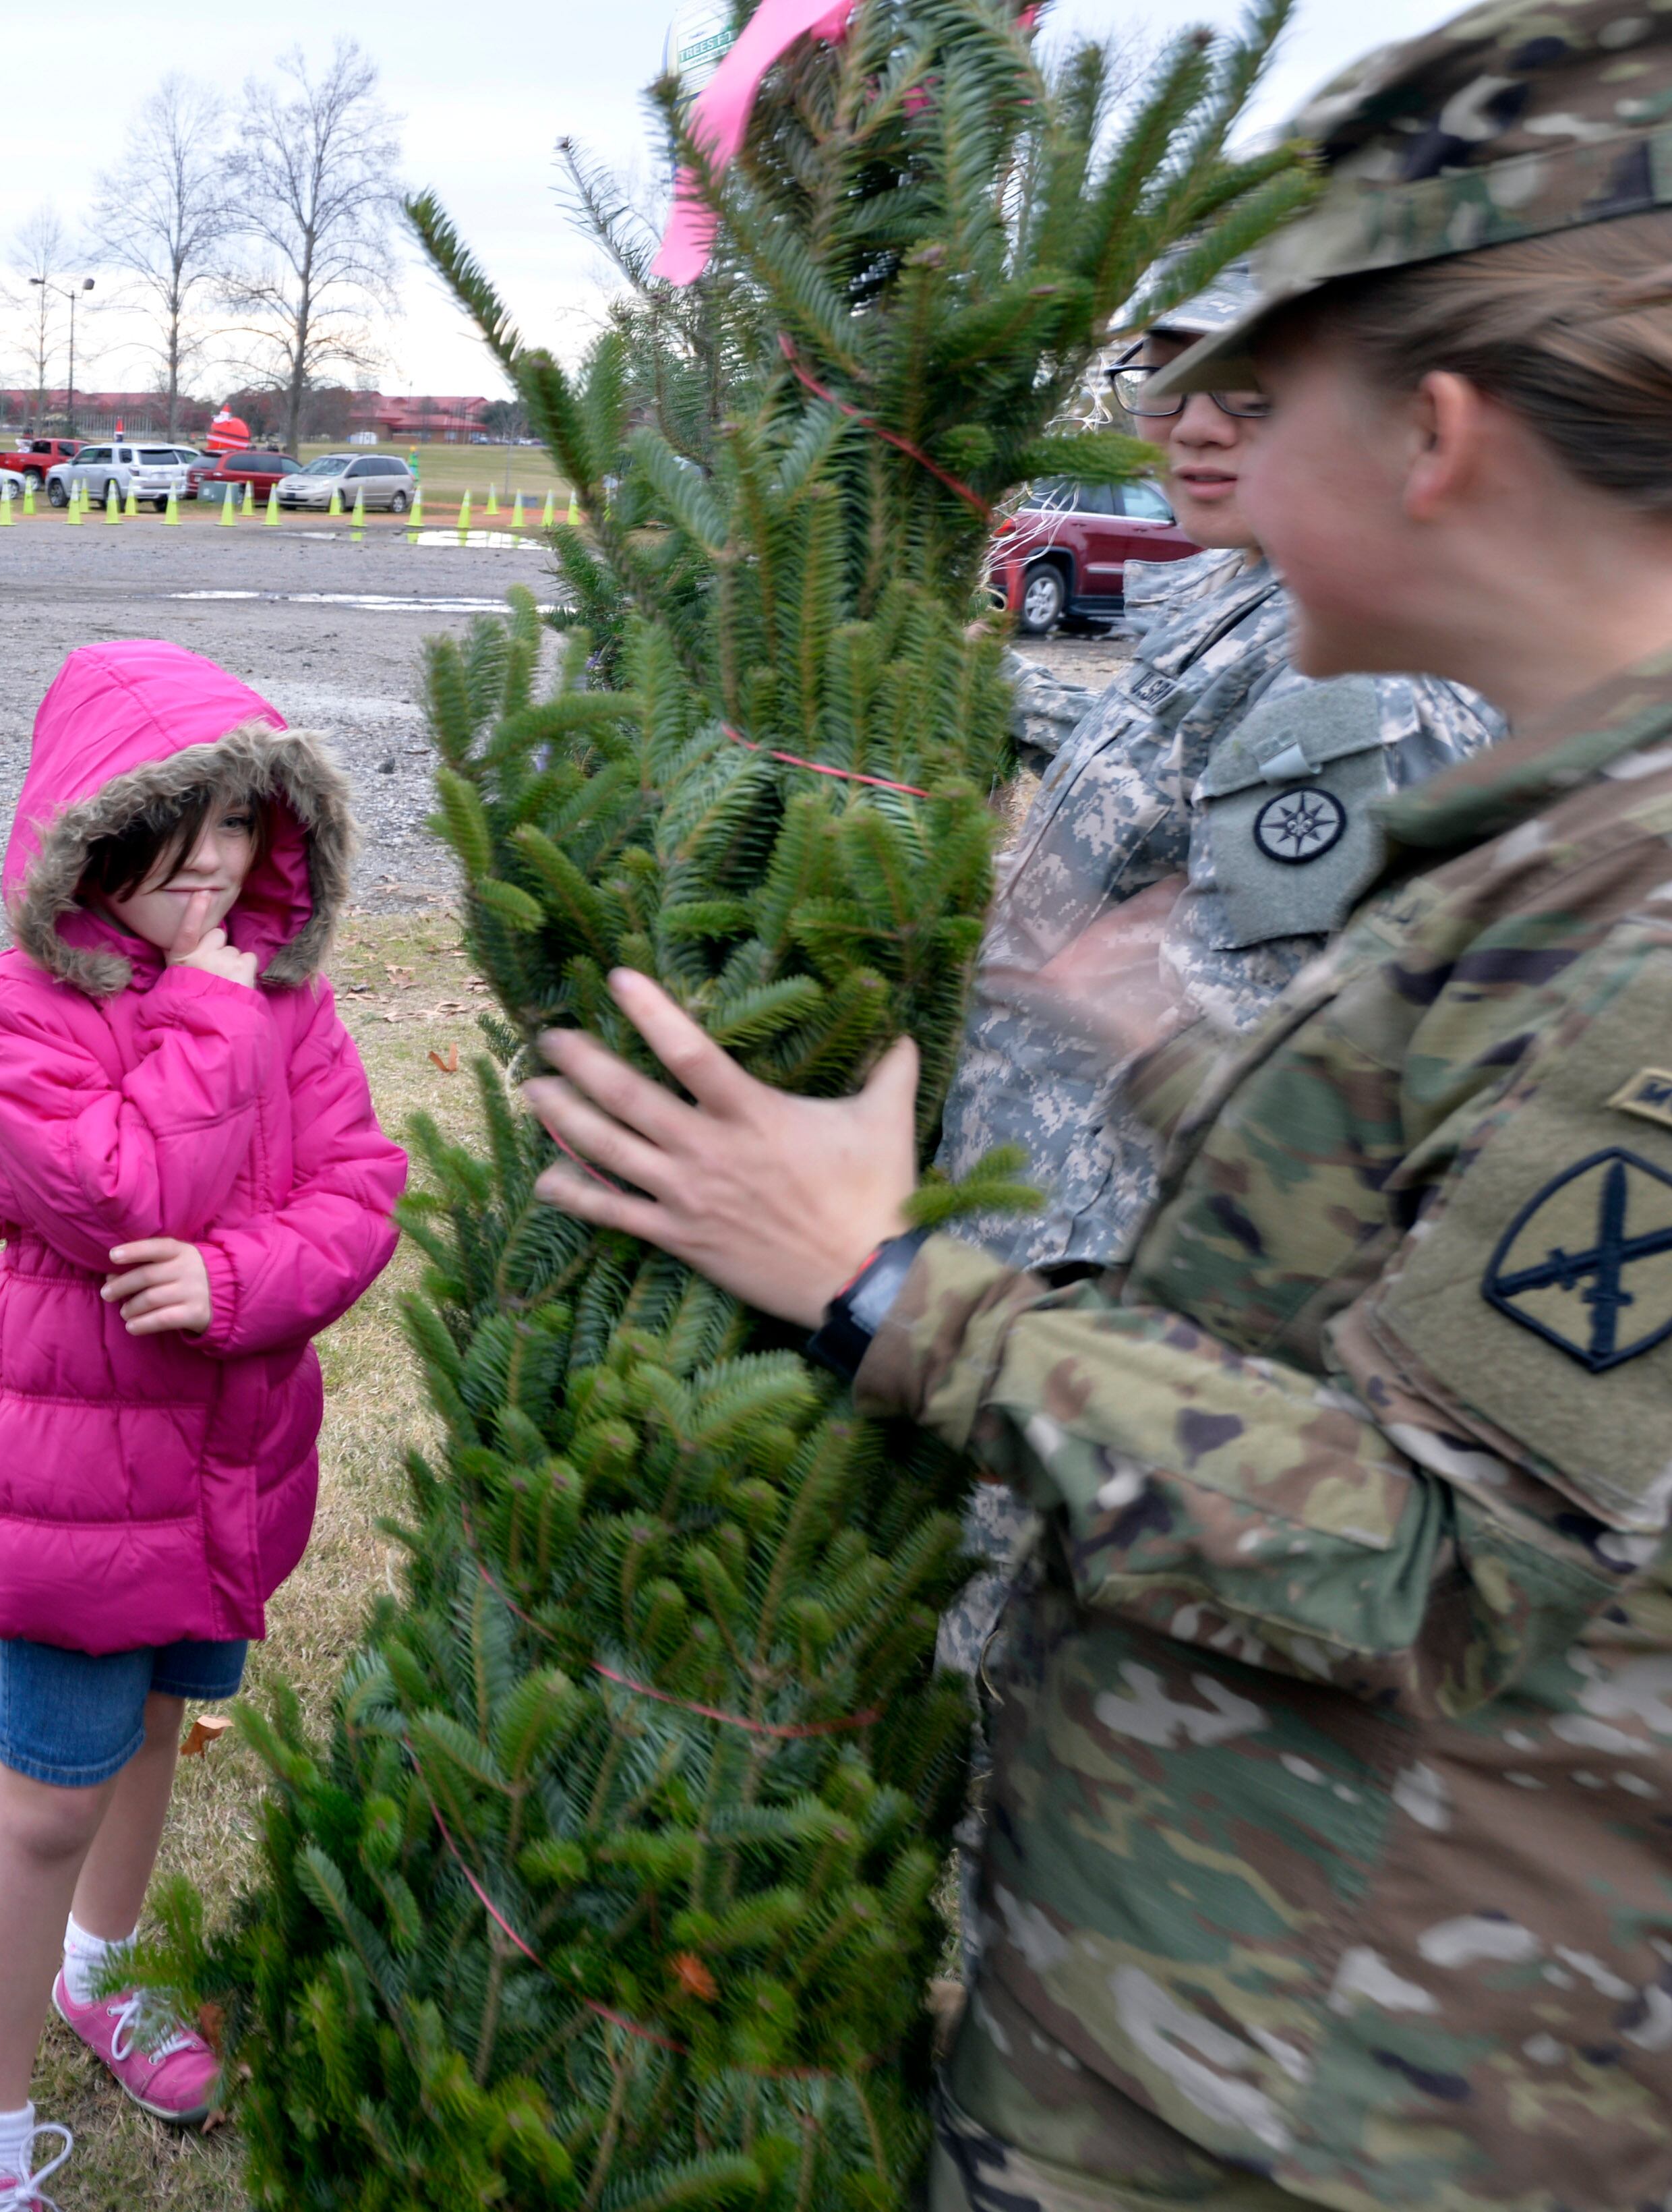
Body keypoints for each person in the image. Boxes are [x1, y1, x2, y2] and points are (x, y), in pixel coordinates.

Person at [518, 3, 1672, 2202]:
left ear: (1431, 438)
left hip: (1336, 2105)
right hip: (1229, 2018)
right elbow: (1433, 1231)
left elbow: (1441, 1565)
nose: (1189, 446)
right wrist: (1175, 1043)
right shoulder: (1555, 851)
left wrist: (882, 1289)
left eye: (1260, 398)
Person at [940, 276, 1501, 1669]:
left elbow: (1255, 1066)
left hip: (1113, 1282)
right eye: (1166, 383)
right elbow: (1170, 761)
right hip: (1030, 1235)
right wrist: (988, 698)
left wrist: (1102, 992)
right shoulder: (1245, 592)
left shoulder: (1347, 679)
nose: (1193, 426)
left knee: (1019, 1672)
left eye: (1246, 393)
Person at [0, 643, 407, 2211]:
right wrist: (207, 1012)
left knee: (157, 1733)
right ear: (87, 834)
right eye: (173, 831)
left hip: (226, 1468)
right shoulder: (8, 1019)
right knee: (48, 1796)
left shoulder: (289, 1000)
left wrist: (235, 1280)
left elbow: (357, 1190)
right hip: (82, 1483)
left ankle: (103, 1971)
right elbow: (126, 1190)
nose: (210, 866)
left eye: (239, 826)